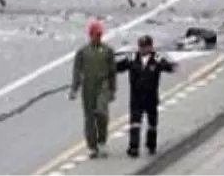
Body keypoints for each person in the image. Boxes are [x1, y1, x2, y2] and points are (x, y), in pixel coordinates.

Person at [117, 35, 176, 157]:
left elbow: (168, 66)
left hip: (151, 95)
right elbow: (119, 66)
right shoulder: (132, 58)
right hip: (136, 95)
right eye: (141, 47)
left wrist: (172, 66)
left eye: (145, 47)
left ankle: (151, 144)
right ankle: (134, 147)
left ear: (150, 47)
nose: (143, 49)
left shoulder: (157, 59)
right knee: (135, 122)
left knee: (152, 123)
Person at [69, 20, 118, 159]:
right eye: (95, 34)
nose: (98, 37)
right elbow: (77, 71)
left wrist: (112, 90)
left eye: (99, 34)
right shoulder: (83, 52)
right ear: (90, 35)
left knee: (102, 114)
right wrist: (74, 89)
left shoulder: (108, 51)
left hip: (102, 85)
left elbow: (112, 71)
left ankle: (102, 141)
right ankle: (92, 146)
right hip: (88, 87)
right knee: (89, 118)